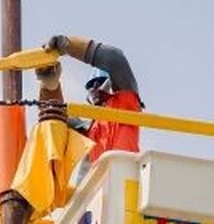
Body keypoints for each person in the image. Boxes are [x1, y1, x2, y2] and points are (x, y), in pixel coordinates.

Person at [36, 35, 143, 164]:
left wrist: (68, 45)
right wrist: (49, 85)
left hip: (124, 173)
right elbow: (54, 116)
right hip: (100, 176)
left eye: (100, 82)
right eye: (91, 85)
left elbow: (115, 60)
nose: (95, 87)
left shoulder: (126, 104)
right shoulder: (89, 131)